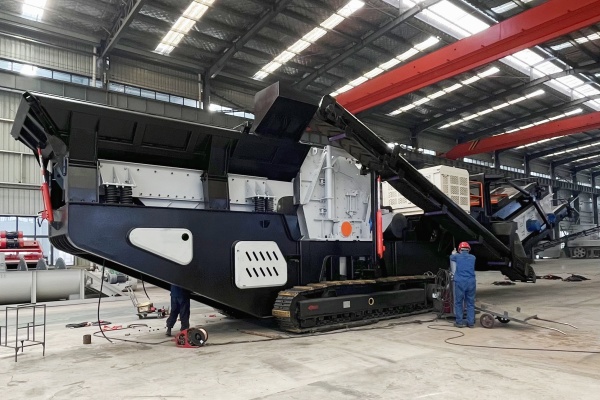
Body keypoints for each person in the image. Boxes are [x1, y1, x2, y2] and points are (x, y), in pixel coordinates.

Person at [450, 242, 476, 328]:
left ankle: (459, 322)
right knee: (470, 303)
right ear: (468, 249)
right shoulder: (473, 257)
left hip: (460, 282)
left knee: (459, 302)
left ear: (459, 250)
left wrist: (454, 253)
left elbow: (451, 257)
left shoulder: (457, 256)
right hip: (471, 282)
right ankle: (471, 323)